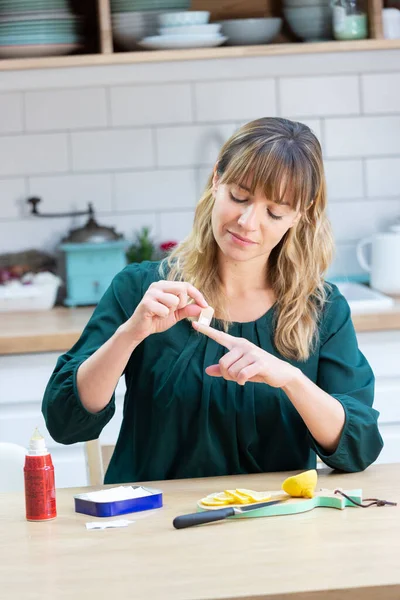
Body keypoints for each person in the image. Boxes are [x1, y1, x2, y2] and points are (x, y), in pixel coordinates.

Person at [42, 117, 383, 484]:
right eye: (240, 196)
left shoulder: (323, 310)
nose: (248, 222)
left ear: (301, 214)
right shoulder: (140, 288)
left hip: (276, 526)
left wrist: (291, 380)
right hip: (153, 525)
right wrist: (129, 335)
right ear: (217, 179)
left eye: (275, 211)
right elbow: (65, 423)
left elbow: (358, 449)